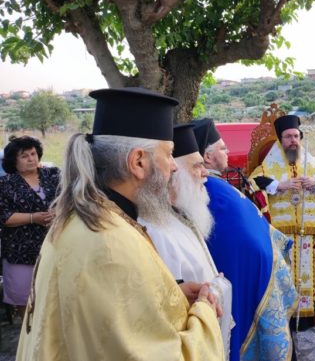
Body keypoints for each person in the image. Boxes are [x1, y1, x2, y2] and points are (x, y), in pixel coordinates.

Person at [16, 87, 224, 361]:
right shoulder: (110, 241)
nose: (173, 166)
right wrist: (204, 312)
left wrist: (171, 297)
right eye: (168, 154)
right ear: (138, 161)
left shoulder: (91, 218)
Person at [193, 118, 297, 361]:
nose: (228, 151)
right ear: (207, 157)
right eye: (222, 148)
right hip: (251, 282)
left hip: (256, 276)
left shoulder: (216, 187)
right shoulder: (213, 193)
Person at [139, 124, 234, 359]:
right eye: (197, 166)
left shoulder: (181, 215)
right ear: (175, 173)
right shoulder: (154, 230)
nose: (205, 173)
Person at [249, 114, 315, 326]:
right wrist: (278, 185)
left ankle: (306, 315)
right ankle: (285, 316)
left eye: (296, 136)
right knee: (284, 274)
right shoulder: (269, 164)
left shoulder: (309, 162)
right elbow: (253, 181)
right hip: (282, 234)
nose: (293, 141)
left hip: (307, 232)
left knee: (306, 274)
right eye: (288, 137)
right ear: (281, 140)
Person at [0, 136, 60, 316]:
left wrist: (58, 211)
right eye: (24, 156)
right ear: (14, 160)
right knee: (24, 299)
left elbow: (70, 198)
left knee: (54, 297)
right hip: (20, 250)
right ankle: (27, 332)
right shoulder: (5, 184)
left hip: (54, 245)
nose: (31, 159)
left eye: (33, 154)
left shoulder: (53, 175)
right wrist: (33, 218)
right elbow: (4, 216)